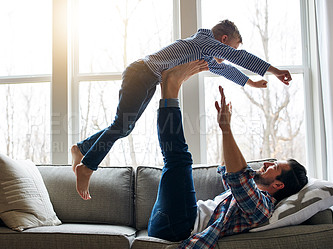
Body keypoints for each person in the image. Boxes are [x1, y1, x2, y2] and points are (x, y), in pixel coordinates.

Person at [71, 19, 293, 200]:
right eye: (228, 49)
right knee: (122, 125)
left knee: (123, 128)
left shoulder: (206, 53)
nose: (226, 55)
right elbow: (240, 57)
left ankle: (82, 148)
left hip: (148, 77)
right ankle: (87, 166)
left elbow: (226, 69)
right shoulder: (204, 42)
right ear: (223, 40)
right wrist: (273, 70)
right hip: (141, 73)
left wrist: (251, 83)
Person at [147, 62, 308, 249]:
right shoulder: (240, 197)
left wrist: (226, 128)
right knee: (177, 159)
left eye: (274, 167)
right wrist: (223, 126)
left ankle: (170, 88)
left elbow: (239, 178)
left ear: (278, 185)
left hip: (179, 227)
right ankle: (169, 87)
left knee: (178, 159)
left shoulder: (262, 209)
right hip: (169, 219)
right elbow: (228, 171)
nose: (266, 163)